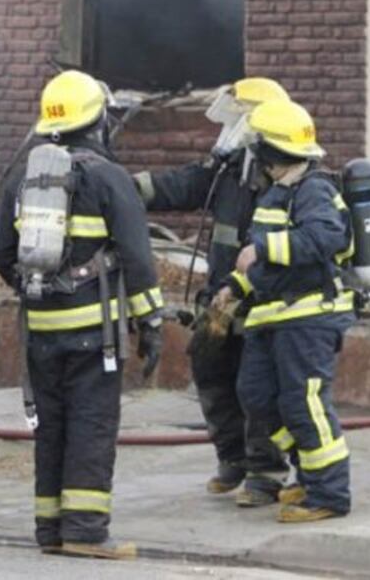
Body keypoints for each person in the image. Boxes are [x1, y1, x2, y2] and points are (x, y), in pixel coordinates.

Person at [0, 70, 163, 559]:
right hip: (95, 335)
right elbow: (137, 259)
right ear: (98, 122)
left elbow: (2, 254)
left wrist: (37, 293)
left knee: (51, 428)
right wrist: (150, 325)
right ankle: (85, 532)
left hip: (40, 334)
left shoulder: (24, 177)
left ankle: (50, 529)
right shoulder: (109, 178)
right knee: (90, 426)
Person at [131, 78, 290, 506]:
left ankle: (266, 473)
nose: (230, 129)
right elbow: (182, 185)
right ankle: (233, 460)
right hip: (221, 298)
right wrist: (125, 188)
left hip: (261, 303)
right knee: (210, 370)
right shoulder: (229, 171)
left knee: (256, 388)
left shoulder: (284, 181)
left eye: (239, 120)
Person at [226, 99, 355, 522]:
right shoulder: (276, 193)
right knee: (257, 396)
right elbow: (256, 261)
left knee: (304, 402)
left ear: (272, 152)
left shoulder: (314, 189)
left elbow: (324, 240)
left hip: (308, 317)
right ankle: (309, 473)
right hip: (271, 317)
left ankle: (329, 494)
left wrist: (261, 249)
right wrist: (234, 286)